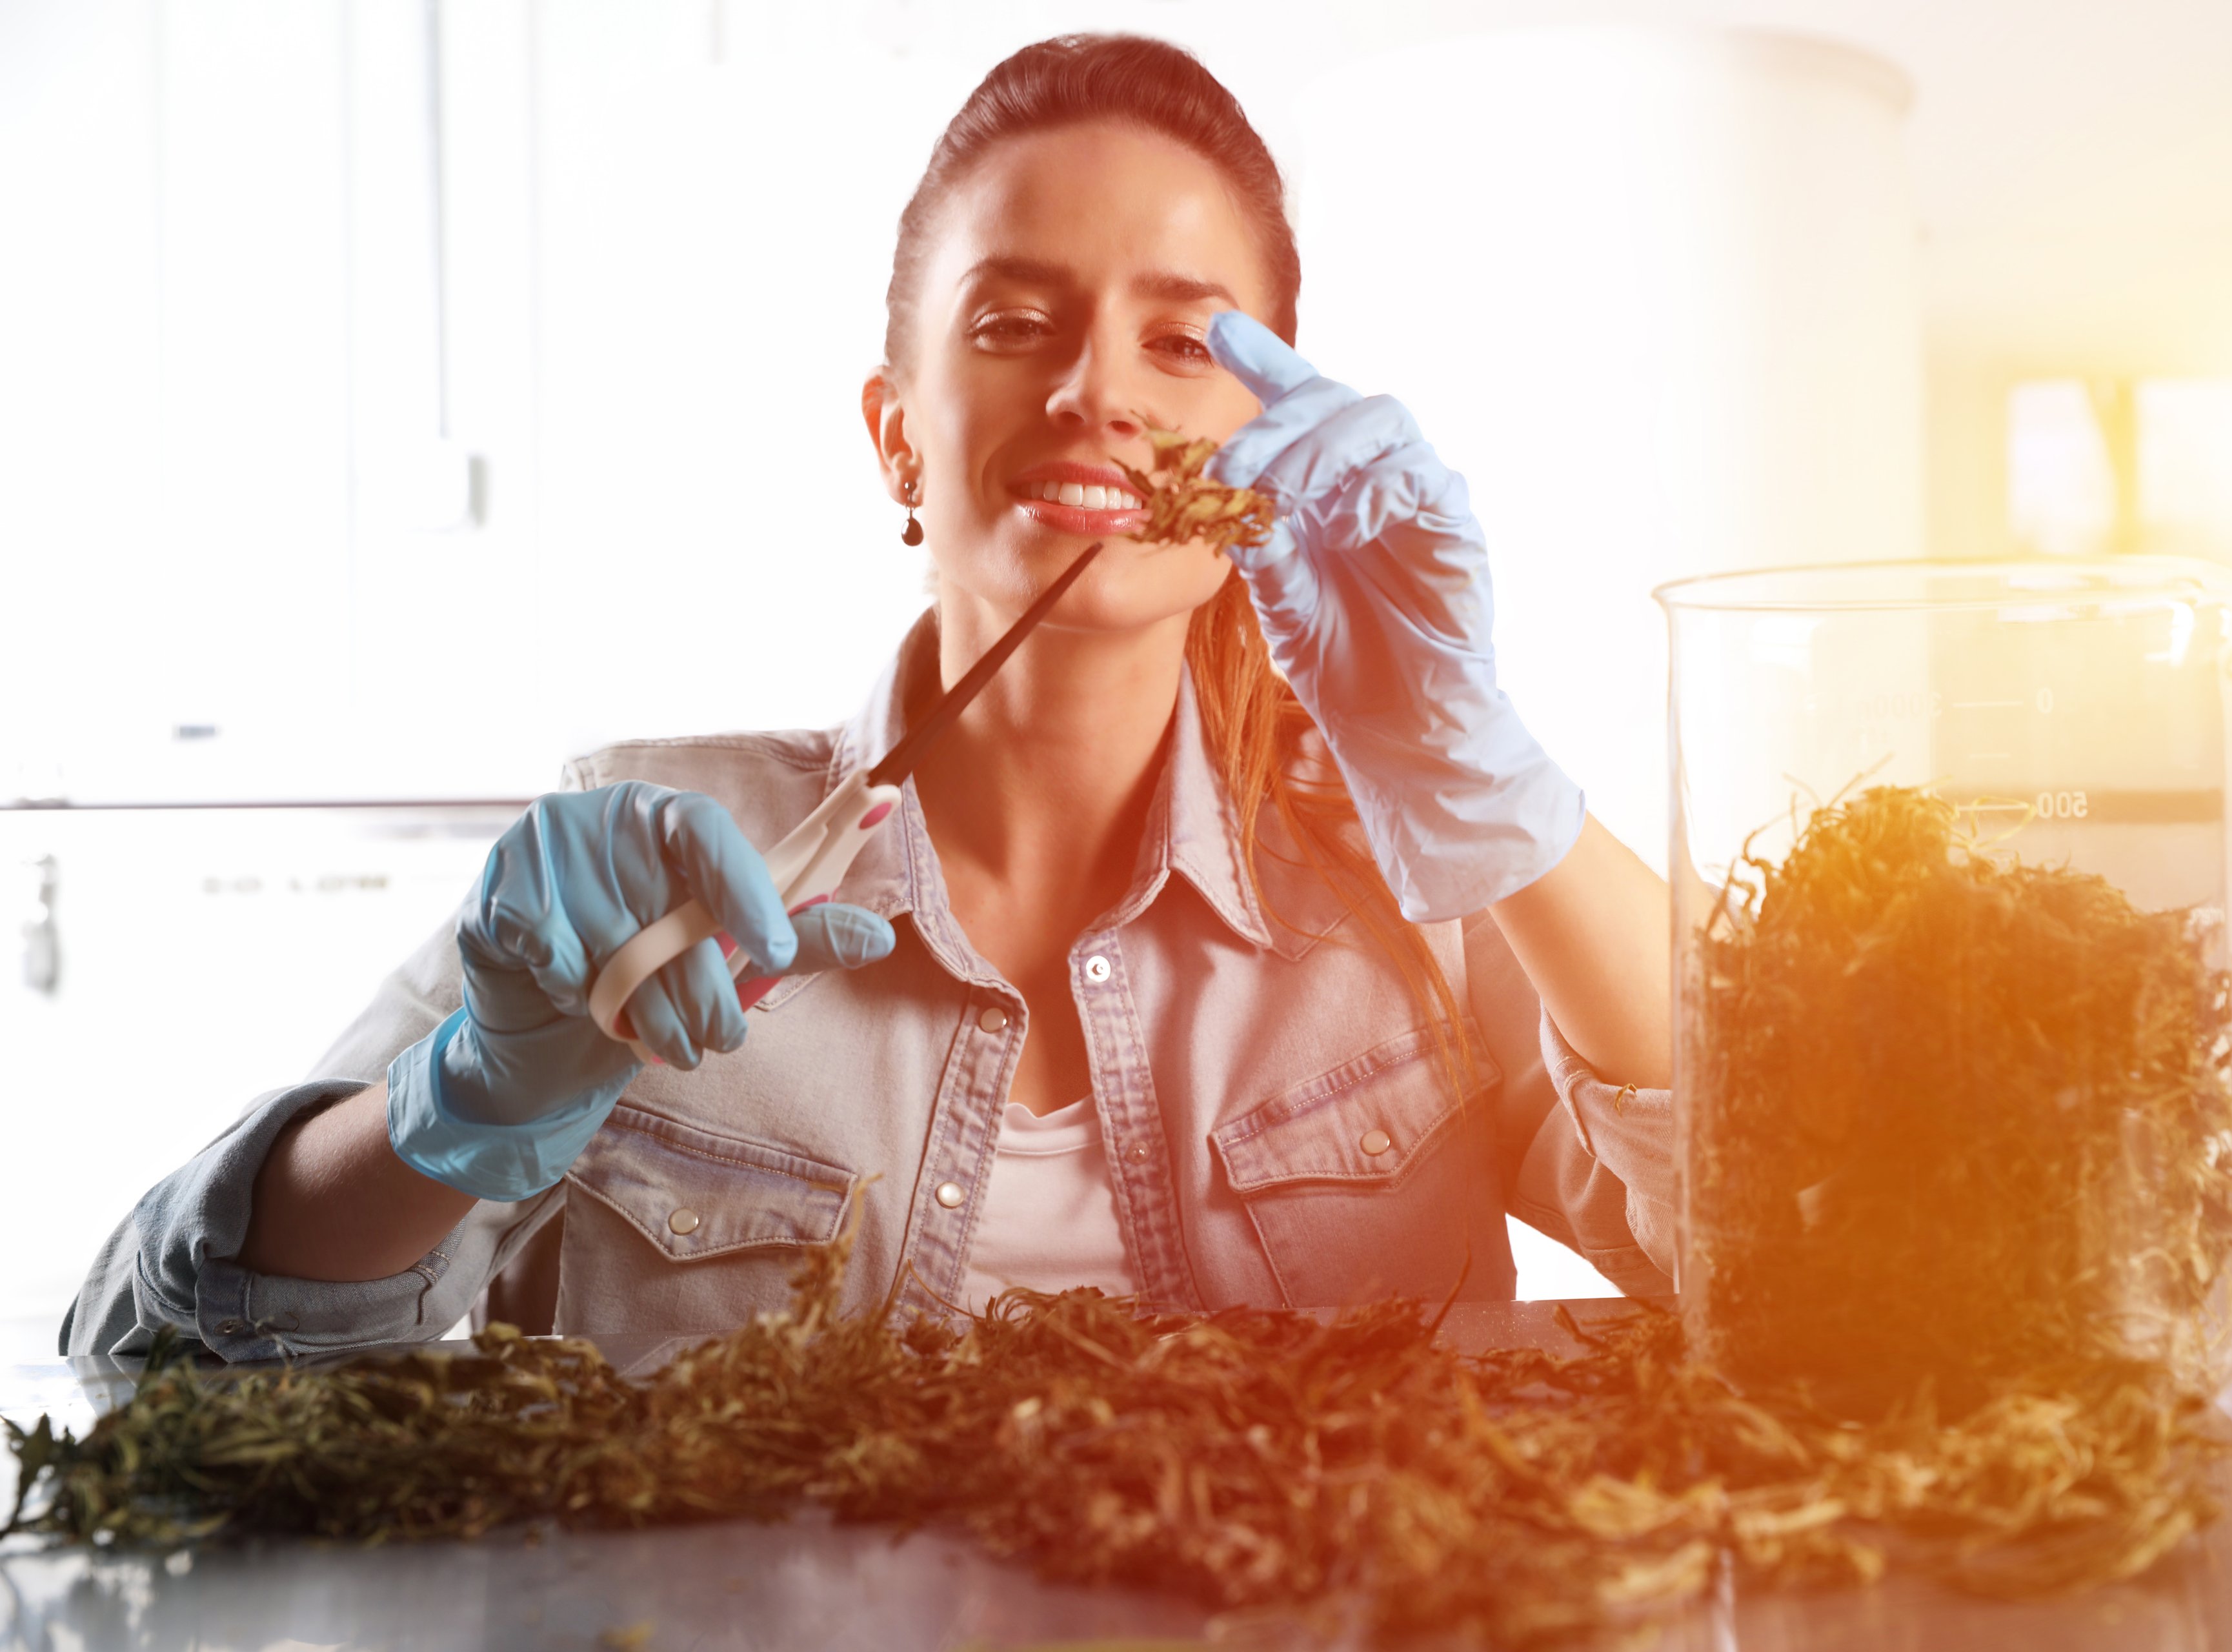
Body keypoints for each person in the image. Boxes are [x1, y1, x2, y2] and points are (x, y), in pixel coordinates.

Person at [65, 34, 1674, 1360]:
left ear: (1275, 449)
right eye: (1013, 323)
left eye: (1185, 341)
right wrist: (449, 1110)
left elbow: (1826, 1267)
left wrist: (1495, 795)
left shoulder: (1428, 893)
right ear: (898, 433)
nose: (1096, 387)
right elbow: (135, 1351)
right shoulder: (650, 870)